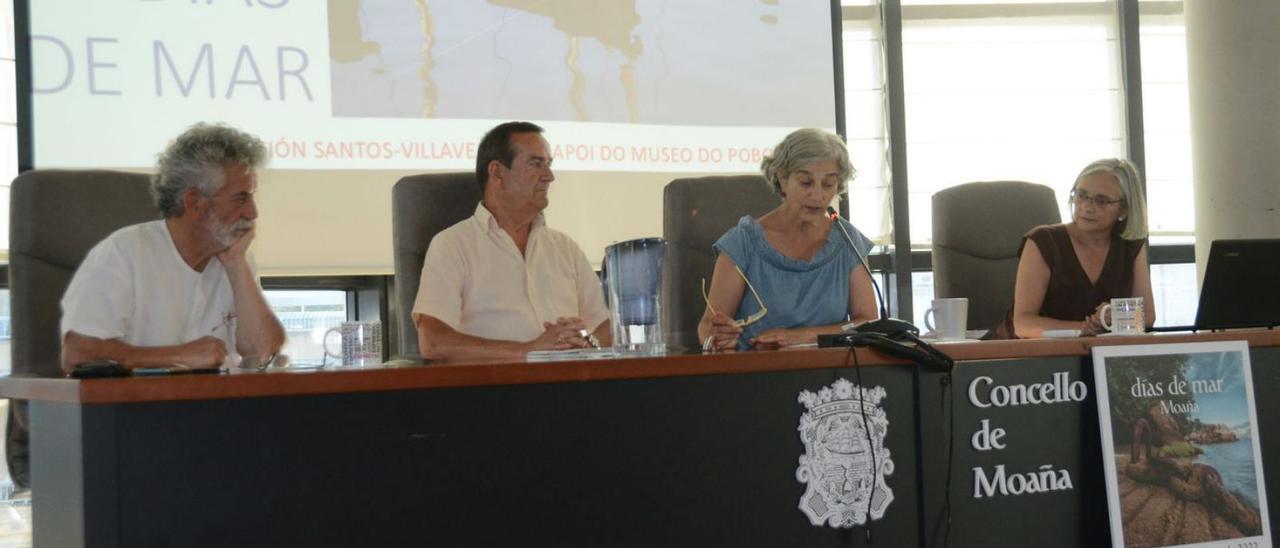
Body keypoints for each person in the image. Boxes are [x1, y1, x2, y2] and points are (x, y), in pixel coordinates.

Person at [60, 123, 286, 372]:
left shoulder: (236, 257)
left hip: (222, 405)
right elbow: (78, 353)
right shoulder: (125, 251)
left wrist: (236, 265)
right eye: (241, 198)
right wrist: (177, 356)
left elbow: (264, 352)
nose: (253, 213)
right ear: (194, 201)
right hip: (141, 407)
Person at [413, 121, 611, 361]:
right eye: (536, 164)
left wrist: (588, 344)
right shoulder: (452, 245)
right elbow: (433, 342)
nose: (549, 177)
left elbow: (606, 326)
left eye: (548, 165)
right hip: (492, 390)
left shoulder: (564, 247)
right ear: (497, 172)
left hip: (570, 386)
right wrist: (529, 351)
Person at [698, 128, 879, 351]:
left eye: (828, 184)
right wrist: (717, 338)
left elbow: (867, 323)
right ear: (782, 179)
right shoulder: (743, 242)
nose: (818, 195)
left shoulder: (847, 240)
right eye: (806, 182)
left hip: (835, 375)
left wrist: (803, 337)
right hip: (757, 375)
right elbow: (708, 326)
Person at [1000, 158, 1156, 338]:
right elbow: (1023, 324)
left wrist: (1114, 316)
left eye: (1101, 201)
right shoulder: (1042, 241)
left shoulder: (1130, 244)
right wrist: (1084, 328)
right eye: (1081, 195)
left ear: (1125, 209)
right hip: (1028, 355)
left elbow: (1148, 316)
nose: (1087, 207)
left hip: (1098, 355)